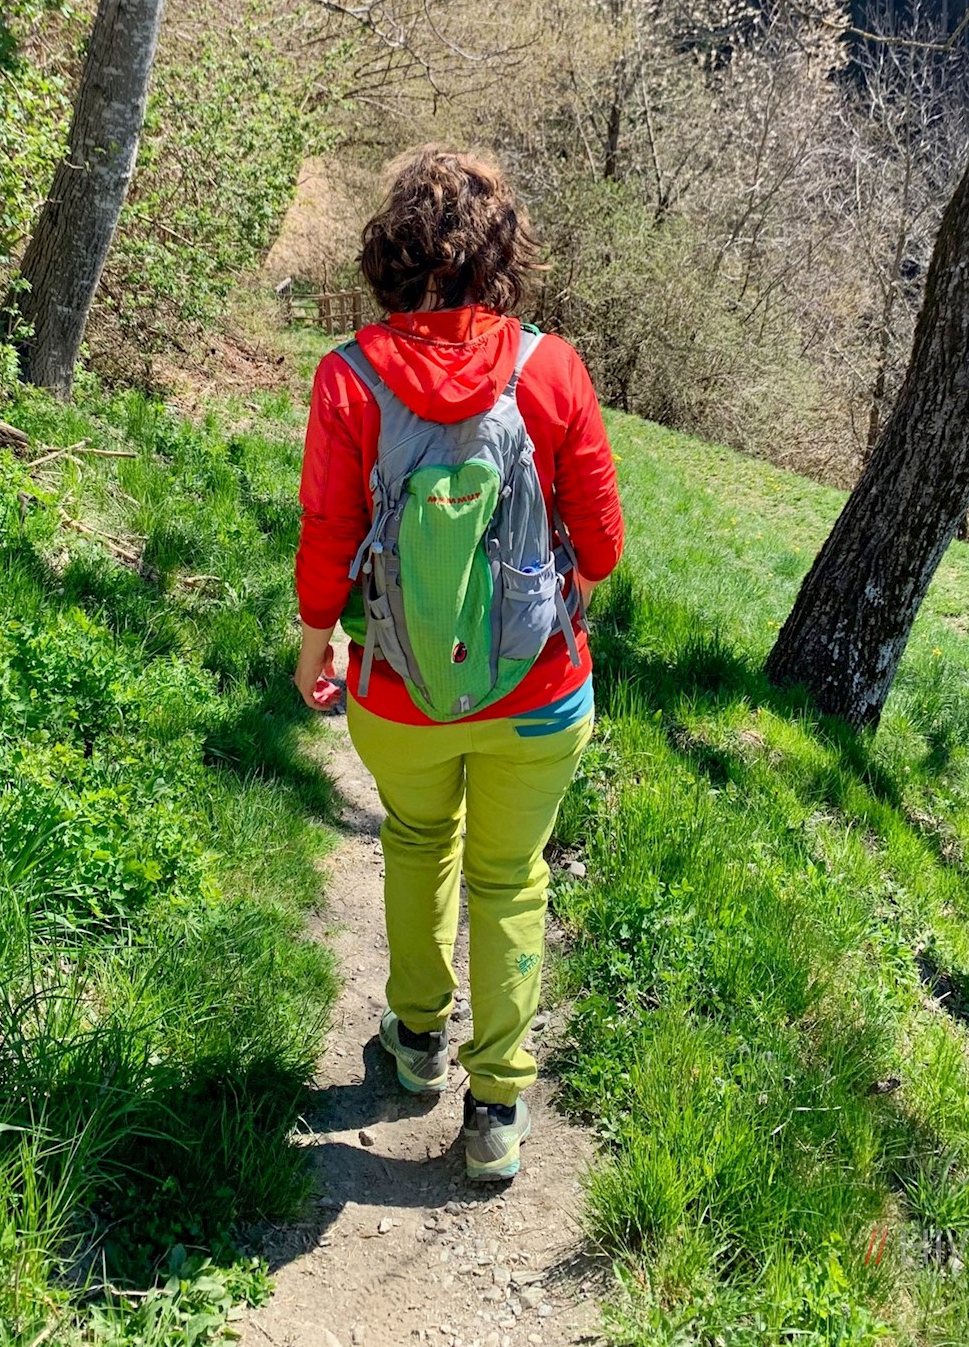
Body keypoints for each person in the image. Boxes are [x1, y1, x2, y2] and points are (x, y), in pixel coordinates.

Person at [294, 147, 624, 1181]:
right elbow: (602, 545)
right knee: (510, 877)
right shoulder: (552, 369)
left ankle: (416, 1039)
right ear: (499, 256)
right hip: (540, 692)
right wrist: (553, 594)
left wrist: (317, 637)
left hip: (400, 695)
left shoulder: (347, 378)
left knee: (416, 840)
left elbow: (327, 532)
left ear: (392, 251)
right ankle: (496, 1110)